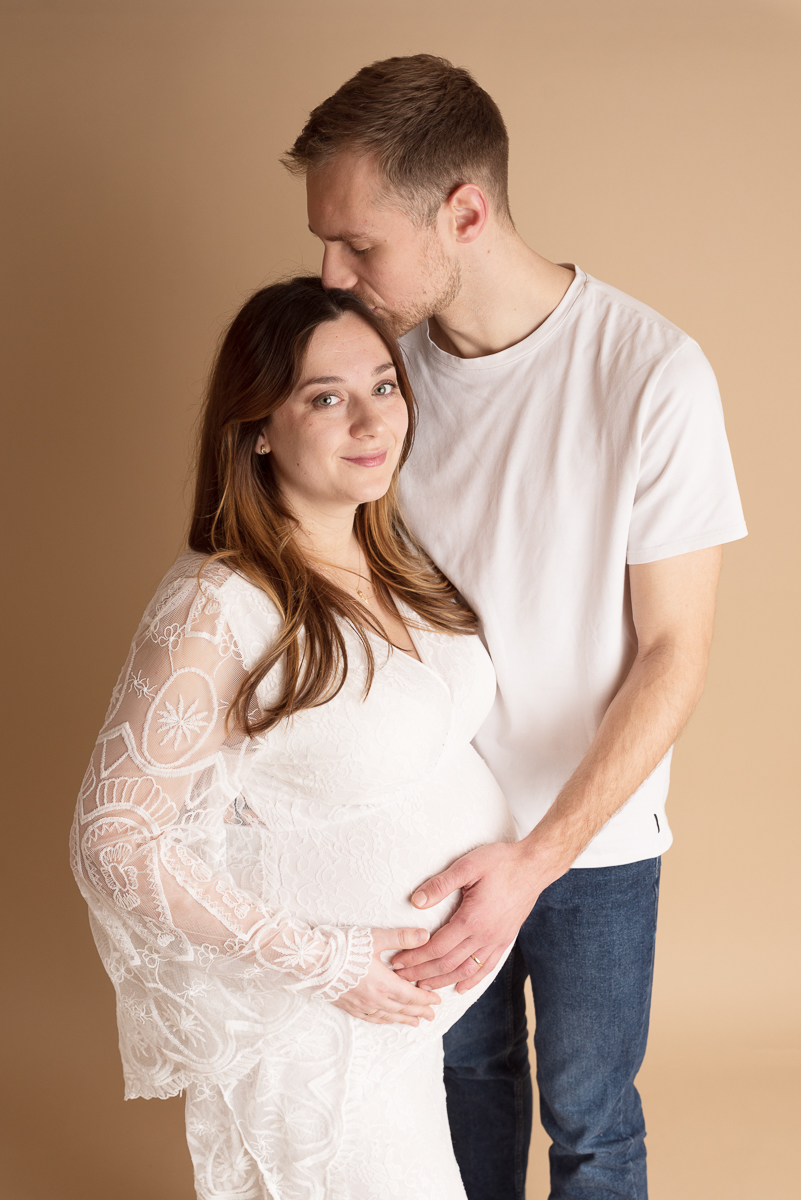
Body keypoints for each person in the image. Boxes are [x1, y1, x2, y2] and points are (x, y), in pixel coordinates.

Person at [284, 54, 748, 1199]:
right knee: (452, 1098)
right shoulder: (382, 386)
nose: (330, 275)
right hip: (426, 839)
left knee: (591, 1123)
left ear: (467, 213)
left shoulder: (652, 374)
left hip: (591, 845)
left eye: (358, 244)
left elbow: (674, 652)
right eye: (325, 243)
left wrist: (537, 860)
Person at [70, 276, 519, 1200]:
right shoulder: (219, 600)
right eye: (326, 397)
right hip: (314, 1037)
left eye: (383, 386)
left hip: (397, 1034)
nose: (370, 420)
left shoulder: (394, 558)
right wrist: (329, 961)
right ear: (259, 427)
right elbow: (112, 838)